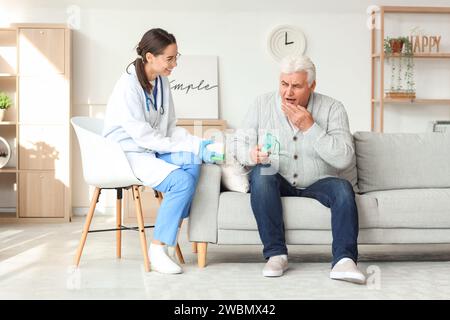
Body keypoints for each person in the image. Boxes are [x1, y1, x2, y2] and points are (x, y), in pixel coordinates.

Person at [233, 55, 366, 284]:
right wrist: (251, 154)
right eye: (284, 84)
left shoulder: (333, 108)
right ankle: (276, 254)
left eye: (296, 86)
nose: (288, 92)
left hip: (319, 182)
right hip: (278, 180)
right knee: (262, 173)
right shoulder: (261, 104)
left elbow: (344, 158)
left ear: (312, 85)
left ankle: (344, 261)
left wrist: (311, 127)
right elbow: (238, 144)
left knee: (343, 189)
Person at [103, 28, 216, 274]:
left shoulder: (162, 82)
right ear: (150, 57)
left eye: (176, 57)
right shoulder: (128, 86)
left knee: (193, 160)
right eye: (170, 58)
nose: (175, 64)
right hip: (127, 154)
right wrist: (192, 143)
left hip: (151, 148)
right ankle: (158, 248)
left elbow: (169, 127)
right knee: (182, 183)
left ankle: (171, 219)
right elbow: (144, 136)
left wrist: (194, 143)